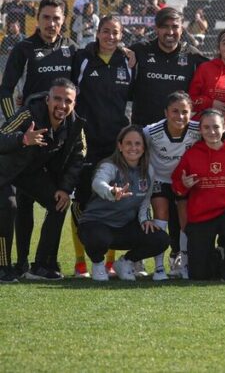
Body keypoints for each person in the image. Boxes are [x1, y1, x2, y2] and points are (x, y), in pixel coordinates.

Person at [68, 15, 134, 278]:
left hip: (114, 144)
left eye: (116, 33)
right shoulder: (83, 58)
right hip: (86, 142)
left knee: (113, 200)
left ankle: (108, 262)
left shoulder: (127, 61)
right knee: (83, 201)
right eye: (106, 31)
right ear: (97, 33)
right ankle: (80, 261)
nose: (111, 37)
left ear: (121, 36)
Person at [0, 79, 85, 282]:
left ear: (74, 104)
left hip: (30, 173)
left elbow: (78, 158)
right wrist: (22, 139)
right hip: (4, 170)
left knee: (59, 203)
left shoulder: (75, 125)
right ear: (47, 99)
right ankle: (3, 266)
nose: (62, 105)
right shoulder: (28, 113)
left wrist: (65, 188)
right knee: (8, 206)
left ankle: (42, 265)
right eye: (57, 98)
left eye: (68, 100)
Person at [76, 126, 169, 282]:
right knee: (98, 238)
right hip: (97, 223)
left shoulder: (148, 171)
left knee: (160, 239)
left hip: (124, 227)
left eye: (138, 144)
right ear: (120, 146)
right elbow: (98, 183)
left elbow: (145, 201)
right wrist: (112, 191)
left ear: (144, 147)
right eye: (128, 143)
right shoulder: (110, 165)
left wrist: (145, 220)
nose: (133, 148)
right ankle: (98, 264)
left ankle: (125, 263)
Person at [171, 109, 225, 283]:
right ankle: (216, 256)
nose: (212, 132)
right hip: (200, 215)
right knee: (199, 275)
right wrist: (184, 185)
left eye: (216, 127)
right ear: (200, 130)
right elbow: (177, 184)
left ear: (224, 127)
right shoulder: (192, 154)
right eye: (206, 127)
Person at [144, 92, 201, 280]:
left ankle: (183, 264)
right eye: (175, 111)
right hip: (160, 180)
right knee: (161, 218)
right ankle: (159, 267)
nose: (180, 116)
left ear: (191, 113)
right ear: (166, 112)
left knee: (185, 222)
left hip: (184, 182)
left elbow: (219, 136)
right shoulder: (151, 132)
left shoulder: (197, 130)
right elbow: (132, 143)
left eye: (185, 112)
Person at [130, 7, 207, 129]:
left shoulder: (193, 55)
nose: (170, 32)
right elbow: (111, 51)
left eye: (175, 27)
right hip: (143, 130)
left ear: (182, 29)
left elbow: (216, 68)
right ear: (156, 29)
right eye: (165, 26)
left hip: (178, 132)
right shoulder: (140, 50)